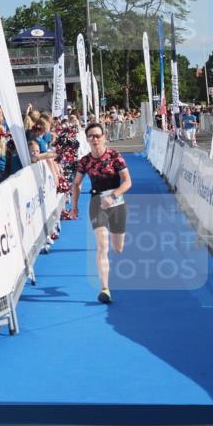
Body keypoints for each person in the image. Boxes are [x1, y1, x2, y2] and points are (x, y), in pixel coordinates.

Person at [70, 123, 132, 304]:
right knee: (102, 245)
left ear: (104, 137)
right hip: (97, 202)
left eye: (98, 136)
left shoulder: (115, 156)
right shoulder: (85, 161)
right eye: (91, 136)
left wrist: (113, 196)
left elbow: (127, 182)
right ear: (87, 139)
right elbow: (76, 184)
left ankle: (115, 254)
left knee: (118, 248)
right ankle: (105, 288)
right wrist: (74, 206)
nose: (95, 139)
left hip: (116, 202)